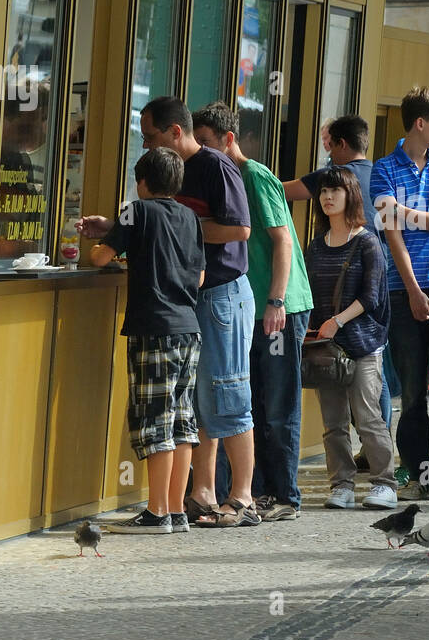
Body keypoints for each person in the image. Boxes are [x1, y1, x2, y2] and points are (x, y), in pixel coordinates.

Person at [137, 95, 259, 529]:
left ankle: (243, 497)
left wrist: (179, 227)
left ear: (174, 132)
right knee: (198, 402)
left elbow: (241, 227)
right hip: (194, 298)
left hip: (224, 295)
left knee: (228, 395)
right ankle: (202, 493)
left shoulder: (215, 165)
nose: (146, 146)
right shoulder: (174, 171)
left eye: (151, 137)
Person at [194, 103, 312, 523]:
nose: (202, 150)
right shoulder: (216, 176)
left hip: (279, 306)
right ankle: (254, 491)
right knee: (250, 399)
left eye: (207, 142)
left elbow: (281, 241)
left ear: (229, 140)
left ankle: (285, 495)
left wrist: (277, 301)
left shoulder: (254, 176)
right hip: (249, 308)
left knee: (278, 404)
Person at [82, 148, 204, 533]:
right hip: (190, 329)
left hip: (154, 328)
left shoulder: (136, 210)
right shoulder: (190, 217)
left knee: (155, 420)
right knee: (183, 422)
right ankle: (175, 511)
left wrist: (93, 248)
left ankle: (155, 513)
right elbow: (198, 277)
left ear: (142, 182)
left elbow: (102, 257)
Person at [371, 86, 429, 500]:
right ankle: (422, 479)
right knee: (412, 392)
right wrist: (410, 289)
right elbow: (392, 235)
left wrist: (405, 213)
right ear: (420, 123)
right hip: (404, 289)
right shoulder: (383, 168)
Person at [282, 114, 394, 431]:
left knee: (339, 368)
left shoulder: (334, 177)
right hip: (380, 284)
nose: (329, 155)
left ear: (342, 144)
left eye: (330, 147)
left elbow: (281, 191)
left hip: (342, 284)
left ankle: (359, 449)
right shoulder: (383, 175)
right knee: (374, 366)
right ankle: (376, 445)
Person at [305, 168, 398, 510]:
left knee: (367, 415)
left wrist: (337, 321)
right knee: (333, 422)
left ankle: (385, 483)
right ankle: (341, 484)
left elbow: (371, 296)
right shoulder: (316, 245)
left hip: (363, 342)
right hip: (325, 347)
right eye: (324, 191)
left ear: (351, 195)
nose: (328, 196)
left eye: (336, 190)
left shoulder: (367, 241)